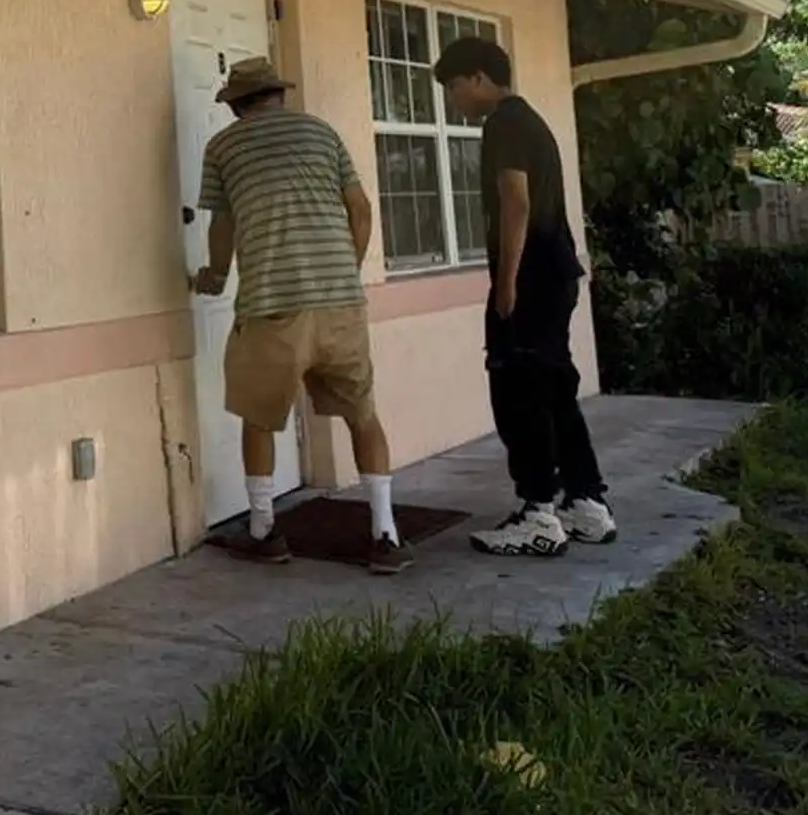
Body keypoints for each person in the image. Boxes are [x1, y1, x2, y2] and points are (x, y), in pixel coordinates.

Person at [189, 57, 413, 575]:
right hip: (341, 304)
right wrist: (344, 271)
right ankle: (386, 536)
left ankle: (264, 531)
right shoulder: (322, 133)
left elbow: (223, 223)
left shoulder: (223, 147)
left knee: (258, 418)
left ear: (236, 105)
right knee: (363, 414)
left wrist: (215, 276)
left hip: (272, 306)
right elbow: (361, 209)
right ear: (279, 95)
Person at [432, 37, 615, 557]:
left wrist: (507, 283)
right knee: (556, 391)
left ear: (479, 78)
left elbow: (516, 200)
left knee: (520, 394)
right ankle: (585, 503)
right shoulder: (531, 120)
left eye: (454, 87)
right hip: (557, 273)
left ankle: (537, 513)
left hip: (532, 278)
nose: (453, 100)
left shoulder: (505, 124)